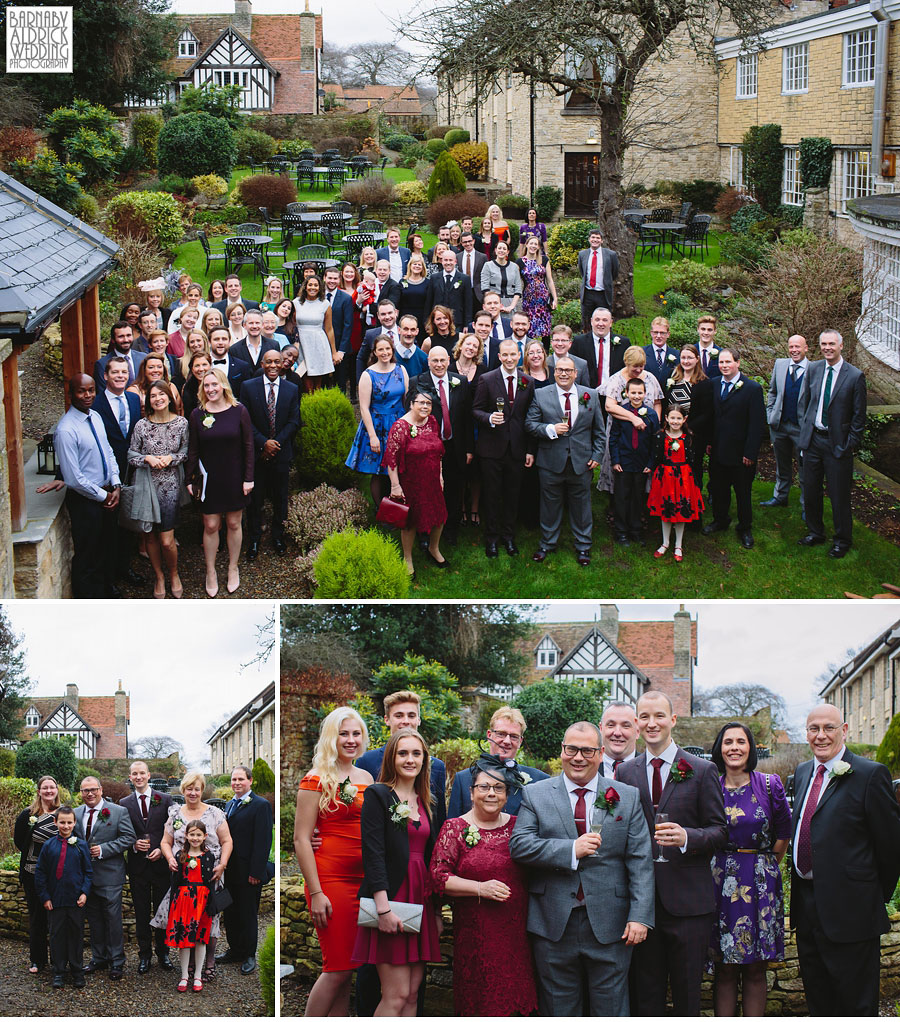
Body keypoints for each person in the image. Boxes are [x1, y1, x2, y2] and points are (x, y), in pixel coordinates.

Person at [509, 721, 654, 1015]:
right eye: (571, 749)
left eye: (587, 750)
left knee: (611, 1009)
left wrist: (640, 916)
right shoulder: (536, 794)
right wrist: (569, 850)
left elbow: (640, 860)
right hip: (552, 924)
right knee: (558, 1009)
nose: (578, 757)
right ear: (561, 751)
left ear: (600, 753)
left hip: (611, 925)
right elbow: (520, 846)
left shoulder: (626, 795)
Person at [617, 692, 727, 1017]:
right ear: (637, 723)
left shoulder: (702, 770)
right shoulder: (625, 773)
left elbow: (720, 831)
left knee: (687, 996)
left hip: (689, 906)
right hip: (642, 906)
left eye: (659, 716)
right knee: (644, 996)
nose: (652, 723)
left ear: (673, 720)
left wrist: (686, 837)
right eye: (645, 717)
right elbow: (613, 824)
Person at [791, 704, 900, 1016]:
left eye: (829, 728)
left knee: (855, 1005)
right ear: (807, 732)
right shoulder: (802, 773)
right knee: (818, 1000)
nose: (821, 735)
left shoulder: (870, 774)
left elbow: (891, 847)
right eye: (814, 728)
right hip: (808, 909)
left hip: (853, 913)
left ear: (845, 730)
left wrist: (868, 897)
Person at [430, 759, 538, 1017]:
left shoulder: (518, 826)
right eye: (484, 787)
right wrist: (480, 888)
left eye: (499, 788)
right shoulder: (455, 828)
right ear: (471, 792)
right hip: (476, 936)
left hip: (518, 936)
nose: (491, 793)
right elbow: (438, 877)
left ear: (508, 793)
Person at [352, 728, 443, 1017]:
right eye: (403, 753)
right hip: (392, 896)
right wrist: (382, 908)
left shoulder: (428, 799)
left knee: (413, 995)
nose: (410, 759)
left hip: (421, 899)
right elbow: (373, 852)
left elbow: (433, 857)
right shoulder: (379, 795)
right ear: (392, 757)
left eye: (416, 753)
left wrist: (438, 913)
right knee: (396, 994)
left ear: (424, 759)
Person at [294, 707, 374, 1017]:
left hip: (362, 882)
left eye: (356, 734)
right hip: (331, 880)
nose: (351, 740)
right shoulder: (315, 779)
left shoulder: (366, 777)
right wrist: (316, 892)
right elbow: (301, 839)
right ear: (331, 737)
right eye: (344, 734)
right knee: (337, 968)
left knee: (348, 969)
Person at [708, 723, 791, 1017]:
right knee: (725, 968)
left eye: (741, 741)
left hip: (760, 883)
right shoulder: (710, 786)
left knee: (756, 969)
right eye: (728, 741)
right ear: (719, 748)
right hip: (719, 884)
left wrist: (763, 866)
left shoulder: (770, 785)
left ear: (750, 748)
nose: (734, 747)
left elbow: (783, 833)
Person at [153, 772, 233, 983]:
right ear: (183, 790)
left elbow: (227, 841)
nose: (193, 793)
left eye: (197, 788)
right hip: (183, 877)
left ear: (202, 790)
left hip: (210, 874)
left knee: (209, 917)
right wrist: (170, 858)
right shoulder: (176, 814)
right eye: (189, 788)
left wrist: (222, 864)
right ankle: (188, 966)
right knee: (186, 918)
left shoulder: (215, 813)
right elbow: (165, 841)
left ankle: (209, 964)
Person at [526, 356, 605, 566]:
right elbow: (530, 424)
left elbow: (599, 430)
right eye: (560, 370)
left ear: (575, 373)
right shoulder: (541, 394)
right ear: (554, 372)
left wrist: (597, 456)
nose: (563, 374)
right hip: (551, 461)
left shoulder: (590, 395)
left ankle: (583, 546)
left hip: (581, 461)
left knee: (581, 506)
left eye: (568, 370)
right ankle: (547, 543)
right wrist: (550, 429)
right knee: (550, 505)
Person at [184, 369, 254, 597]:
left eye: (215, 384)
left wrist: (249, 477)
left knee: (234, 523)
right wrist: (189, 478)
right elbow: (193, 449)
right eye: (206, 386)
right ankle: (211, 571)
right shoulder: (197, 414)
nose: (211, 389)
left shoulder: (239, 411)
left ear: (223, 385)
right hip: (209, 478)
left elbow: (248, 446)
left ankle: (233, 567)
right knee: (211, 525)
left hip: (235, 475)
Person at [797, 329, 867, 559]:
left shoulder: (854, 376)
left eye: (831, 344)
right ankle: (816, 532)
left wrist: (848, 445)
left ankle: (842, 540)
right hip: (813, 441)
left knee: (838, 496)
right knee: (811, 490)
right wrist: (805, 434)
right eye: (824, 344)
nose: (827, 348)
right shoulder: (814, 369)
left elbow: (859, 416)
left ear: (841, 345)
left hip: (837, 445)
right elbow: (806, 403)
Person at [54, 374, 121, 599]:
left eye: (91, 390)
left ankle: (106, 590)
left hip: (108, 492)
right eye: (82, 391)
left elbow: (108, 452)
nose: (88, 395)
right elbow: (73, 478)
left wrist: (116, 484)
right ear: (71, 393)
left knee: (108, 546)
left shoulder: (96, 416)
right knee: (88, 553)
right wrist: (104, 496)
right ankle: (89, 599)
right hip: (86, 501)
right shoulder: (66, 430)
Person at [472, 339, 535, 557]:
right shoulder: (487, 379)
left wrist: (529, 450)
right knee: (491, 495)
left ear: (519, 356)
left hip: (517, 448)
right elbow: (476, 410)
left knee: (512, 495)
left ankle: (509, 537)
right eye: (504, 355)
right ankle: (491, 539)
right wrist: (489, 418)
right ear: (499, 356)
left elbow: (531, 417)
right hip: (491, 448)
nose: (509, 359)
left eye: (513, 355)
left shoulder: (528, 381)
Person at [406, 345, 473, 546]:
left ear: (449, 361)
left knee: (454, 487)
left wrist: (469, 448)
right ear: (428, 362)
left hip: (455, 445)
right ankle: (424, 532)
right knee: (428, 490)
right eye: (434, 360)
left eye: (443, 360)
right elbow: (411, 417)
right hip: (428, 447)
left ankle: (451, 529)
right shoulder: (417, 382)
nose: (439, 364)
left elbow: (466, 417)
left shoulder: (459, 381)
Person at [127, 381, 188, 598]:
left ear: (169, 397)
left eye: (162, 394)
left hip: (170, 487)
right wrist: (148, 458)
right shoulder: (141, 426)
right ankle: (159, 576)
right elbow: (131, 456)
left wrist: (172, 457)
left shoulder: (181, 423)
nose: (158, 399)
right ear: (148, 400)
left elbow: (186, 451)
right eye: (153, 396)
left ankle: (173, 573)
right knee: (151, 537)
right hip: (147, 486)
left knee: (166, 540)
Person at [702, 347, 766, 550]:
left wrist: (750, 452)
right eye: (721, 362)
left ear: (738, 363)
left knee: (743, 492)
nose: (724, 366)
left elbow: (757, 425)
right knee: (719, 489)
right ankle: (721, 520)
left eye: (728, 362)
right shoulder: (713, 384)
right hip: (718, 449)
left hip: (741, 454)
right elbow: (712, 417)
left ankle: (744, 527)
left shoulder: (752, 389)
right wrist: (710, 442)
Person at [74, 776, 136, 981]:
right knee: (94, 919)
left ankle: (117, 961)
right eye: (85, 791)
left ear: (100, 790)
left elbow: (129, 838)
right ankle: (98, 957)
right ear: (81, 793)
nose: (89, 794)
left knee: (112, 920)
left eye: (93, 789)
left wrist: (104, 849)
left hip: (110, 875)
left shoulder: (118, 811)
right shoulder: (75, 813)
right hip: (86, 878)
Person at [242, 349, 301, 559]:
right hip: (257, 455)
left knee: (280, 498)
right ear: (262, 364)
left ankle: (278, 536)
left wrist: (275, 444)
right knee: (255, 501)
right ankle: (255, 539)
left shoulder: (292, 389)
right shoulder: (248, 387)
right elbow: (245, 421)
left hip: (281, 453)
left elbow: (295, 420)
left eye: (278, 361)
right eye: (269, 362)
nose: (274, 365)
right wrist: (263, 443)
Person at [383, 391, 449, 575]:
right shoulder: (400, 427)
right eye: (421, 403)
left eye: (428, 403)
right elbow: (391, 460)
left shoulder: (433, 421)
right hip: (411, 481)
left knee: (439, 516)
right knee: (410, 522)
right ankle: (407, 558)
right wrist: (395, 486)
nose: (425, 407)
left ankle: (433, 549)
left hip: (432, 479)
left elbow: (438, 452)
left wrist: (440, 475)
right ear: (411, 404)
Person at [93, 355, 144, 590]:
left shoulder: (134, 400)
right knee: (109, 529)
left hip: (132, 471)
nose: (120, 376)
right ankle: (108, 579)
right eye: (115, 372)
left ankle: (125, 567)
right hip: (106, 476)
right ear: (105, 376)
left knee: (128, 524)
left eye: (124, 372)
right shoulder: (95, 405)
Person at [120, 761, 175, 975]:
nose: (139, 777)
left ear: (149, 775)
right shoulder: (124, 803)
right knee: (142, 912)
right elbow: (121, 831)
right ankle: (144, 956)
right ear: (131, 777)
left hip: (161, 865)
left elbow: (172, 830)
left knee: (163, 912)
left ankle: (163, 953)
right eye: (135, 774)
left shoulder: (165, 799)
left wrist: (163, 849)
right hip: (138, 867)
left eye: (142, 773)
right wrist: (133, 844)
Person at [218, 766, 273, 976]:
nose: (237, 783)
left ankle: (249, 954)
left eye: (241, 779)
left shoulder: (260, 805)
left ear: (250, 781)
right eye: (234, 779)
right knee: (230, 912)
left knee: (248, 913)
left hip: (249, 871)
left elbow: (263, 840)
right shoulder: (230, 804)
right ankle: (235, 950)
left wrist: (256, 872)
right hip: (229, 869)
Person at [447, 706, 548, 817]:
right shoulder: (463, 779)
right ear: (489, 735)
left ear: (520, 741)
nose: (507, 741)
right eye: (501, 734)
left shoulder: (539, 781)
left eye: (514, 736)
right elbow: (453, 828)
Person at [346, 336, 408, 508]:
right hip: (377, 425)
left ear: (392, 350)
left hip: (398, 422)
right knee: (379, 471)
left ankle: (398, 507)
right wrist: (372, 436)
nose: (385, 352)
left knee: (399, 468)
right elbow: (364, 408)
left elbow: (407, 399)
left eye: (387, 349)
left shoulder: (401, 370)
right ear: (374, 352)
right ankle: (381, 511)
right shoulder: (368, 375)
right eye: (380, 349)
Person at [34, 806, 92, 990]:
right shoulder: (48, 845)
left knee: (76, 935)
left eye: (69, 822)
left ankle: (77, 971)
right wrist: (45, 897)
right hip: (55, 900)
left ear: (74, 823)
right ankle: (58, 971)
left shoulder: (81, 845)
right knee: (57, 935)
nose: (66, 826)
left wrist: (84, 892)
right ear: (55, 823)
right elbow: (40, 873)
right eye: (62, 822)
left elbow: (88, 872)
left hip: (76, 900)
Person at [598, 345, 663, 499]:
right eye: (635, 367)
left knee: (644, 468)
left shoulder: (650, 378)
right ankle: (616, 505)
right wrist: (633, 418)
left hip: (645, 434)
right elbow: (609, 406)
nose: (639, 370)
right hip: (621, 435)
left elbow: (657, 402)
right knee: (620, 469)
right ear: (626, 363)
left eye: (642, 366)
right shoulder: (616, 380)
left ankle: (641, 507)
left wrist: (655, 424)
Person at [14, 775, 61, 974]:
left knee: (58, 919)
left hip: (58, 874)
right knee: (37, 918)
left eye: (52, 787)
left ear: (57, 790)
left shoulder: (64, 813)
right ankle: (37, 960)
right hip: (32, 872)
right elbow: (19, 841)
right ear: (39, 791)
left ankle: (59, 960)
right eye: (45, 788)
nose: (49, 791)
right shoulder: (28, 814)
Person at [648, 404, 704, 561]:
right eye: (672, 418)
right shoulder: (660, 436)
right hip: (665, 477)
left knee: (681, 510)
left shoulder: (688, 438)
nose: (675, 421)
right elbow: (656, 456)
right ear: (666, 418)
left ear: (684, 419)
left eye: (679, 418)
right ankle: (665, 542)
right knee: (666, 510)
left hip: (683, 478)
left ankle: (678, 544)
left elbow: (692, 460)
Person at [165, 821, 215, 993]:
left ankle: (198, 975)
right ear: (186, 835)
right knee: (184, 940)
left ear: (205, 836)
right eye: (192, 834)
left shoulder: (209, 856)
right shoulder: (181, 855)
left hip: (202, 902)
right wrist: (173, 903)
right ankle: (184, 975)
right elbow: (175, 882)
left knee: (200, 939)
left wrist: (212, 904)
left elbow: (211, 882)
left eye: (199, 835)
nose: (195, 838)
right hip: (184, 901)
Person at [761, 334, 809, 513]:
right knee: (782, 464)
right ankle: (780, 496)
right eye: (791, 347)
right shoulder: (780, 365)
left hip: (801, 428)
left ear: (805, 348)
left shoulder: (813, 369)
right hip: (779, 426)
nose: (794, 350)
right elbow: (772, 391)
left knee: (804, 468)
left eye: (798, 347)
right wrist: (770, 414)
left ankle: (806, 505)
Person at [609, 377, 658, 547]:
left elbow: (654, 441)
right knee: (622, 497)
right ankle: (621, 531)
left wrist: (651, 463)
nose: (637, 396)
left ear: (645, 394)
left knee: (638, 497)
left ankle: (636, 530)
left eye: (640, 393)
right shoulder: (622, 413)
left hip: (642, 463)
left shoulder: (651, 414)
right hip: (623, 461)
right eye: (633, 393)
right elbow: (613, 438)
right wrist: (615, 460)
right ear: (627, 393)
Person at [664, 344, 713, 499]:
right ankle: (673, 499)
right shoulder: (672, 378)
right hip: (671, 433)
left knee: (692, 469)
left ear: (697, 359)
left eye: (690, 358)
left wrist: (685, 427)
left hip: (693, 435)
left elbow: (707, 413)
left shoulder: (704, 383)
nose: (686, 361)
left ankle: (693, 502)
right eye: (683, 357)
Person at [293, 274, 340, 389]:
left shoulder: (325, 304)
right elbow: (292, 324)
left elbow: (329, 329)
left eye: (316, 285)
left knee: (318, 381)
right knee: (305, 377)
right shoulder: (296, 303)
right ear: (305, 287)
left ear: (320, 288)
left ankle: (316, 403)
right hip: (302, 343)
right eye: (310, 285)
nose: (312, 288)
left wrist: (334, 352)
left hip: (318, 342)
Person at [571, 306, 627, 390]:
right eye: (597, 320)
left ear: (611, 322)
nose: (600, 324)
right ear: (591, 321)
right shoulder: (579, 342)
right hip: (587, 392)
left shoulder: (623, 343)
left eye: (605, 320)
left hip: (614, 392)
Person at [577, 227, 619, 331]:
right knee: (587, 320)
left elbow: (614, 272)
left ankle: (604, 340)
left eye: (598, 238)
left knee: (604, 320)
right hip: (588, 293)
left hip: (603, 294)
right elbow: (582, 271)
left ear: (602, 240)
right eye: (593, 237)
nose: (595, 240)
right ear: (589, 239)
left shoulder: (610, 255)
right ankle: (587, 340)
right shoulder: (582, 254)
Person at [516, 234, 557, 338]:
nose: (533, 246)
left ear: (539, 247)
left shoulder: (544, 260)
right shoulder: (520, 262)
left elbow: (550, 280)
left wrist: (555, 298)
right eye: (531, 243)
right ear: (526, 245)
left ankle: (546, 352)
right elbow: (516, 281)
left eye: (536, 244)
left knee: (545, 326)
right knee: (529, 325)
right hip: (529, 299)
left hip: (543, 298)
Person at [425, 249, 473, 331]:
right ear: (442, 261)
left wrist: (466, 324)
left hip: (457, 322)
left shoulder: (464, 279)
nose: (448, 263)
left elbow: (468, 303)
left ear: (455, 261)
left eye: (450, 260)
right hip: (438, 321)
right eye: (445, 260)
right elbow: (429, 301)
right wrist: (427, 322)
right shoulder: (434, 278)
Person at [95, 321, 147, 388]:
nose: (126, 340)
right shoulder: (102, 364)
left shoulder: (143, 357)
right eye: (121, 336)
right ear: (113, 340)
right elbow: (102, 392)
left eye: (128, 335)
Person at [480, 240, 522, 316]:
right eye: (499, 248)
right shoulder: (488, 266)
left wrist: (511, 307)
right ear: (495, 250)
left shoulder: (514, 267)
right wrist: (495, 304)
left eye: (504, 249)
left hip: (510, 304)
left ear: (508, 252)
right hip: (493, 305)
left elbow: (518, 289)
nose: (501, 250)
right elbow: (485, 288)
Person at [231, 308, 279, 373]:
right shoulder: (235, 349)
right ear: (244, 325)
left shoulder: (273, 345)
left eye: (257, 323)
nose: (254, 326)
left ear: (262, 325)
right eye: (251, 323)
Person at [599, 702, 639, 777]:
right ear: (601, 729)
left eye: (626, 726)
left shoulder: (650, 769)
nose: (617, 733)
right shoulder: (587, 767)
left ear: (637, 731)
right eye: (611, 725)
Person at [643, 317, 680, 389]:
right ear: (651, 333)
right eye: (656, 332)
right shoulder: (642, 352)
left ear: (668, 334)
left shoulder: (676, 354)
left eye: (662, 333)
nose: (658, 336)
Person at [398, 254, 430, 335]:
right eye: (414, 264)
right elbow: (399, 302)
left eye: (419, 264)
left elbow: (429, 303)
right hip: (405, 317)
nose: (417, 266)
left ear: (423, 267)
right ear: (410, 266)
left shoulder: (428, 283)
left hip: (422, 319)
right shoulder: (402, 282)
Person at [457, 232, 487, 307]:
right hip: (462, 292)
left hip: (477, 293)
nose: (467, 244)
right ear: (461, 243)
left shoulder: (482, 257)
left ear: (473, 241)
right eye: (465, 242)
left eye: (469, 241)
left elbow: (486, 276)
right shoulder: (457, 257)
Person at [180, 352, 213, 418]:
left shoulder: (218, 385)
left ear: (210, 366)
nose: (201, 369)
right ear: (192, 369)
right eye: (197, 365)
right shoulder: (187, 388)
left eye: (204, 365)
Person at [696, 315, 722, 380]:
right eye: (703, 329)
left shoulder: (721, 353)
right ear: (698, 329)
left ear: (715, 331)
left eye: (709, 330)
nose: (706, 333)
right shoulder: (690, 351)